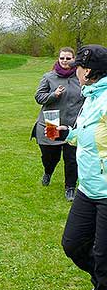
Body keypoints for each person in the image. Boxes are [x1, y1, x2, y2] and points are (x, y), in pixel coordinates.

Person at [53, 44, 107, 290]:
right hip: (87, 187)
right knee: (73, 244)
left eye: (78, 68)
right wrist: (69, 133)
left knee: (104, 258)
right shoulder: (92, 96)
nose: (75, 72)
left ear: (88, 71)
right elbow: (90, 134)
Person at [31, 47, 84, 201]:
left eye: (68, 58)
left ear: (73, 59)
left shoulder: (80, 78)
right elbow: (39, 97)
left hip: (72, 125)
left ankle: (70, 187)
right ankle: (48, 171)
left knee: (71, 159)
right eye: (62, 58)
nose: (65, 61)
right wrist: (54, 95)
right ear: (58, 59)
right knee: (50, 157)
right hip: (51, 125)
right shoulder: (49, 77)